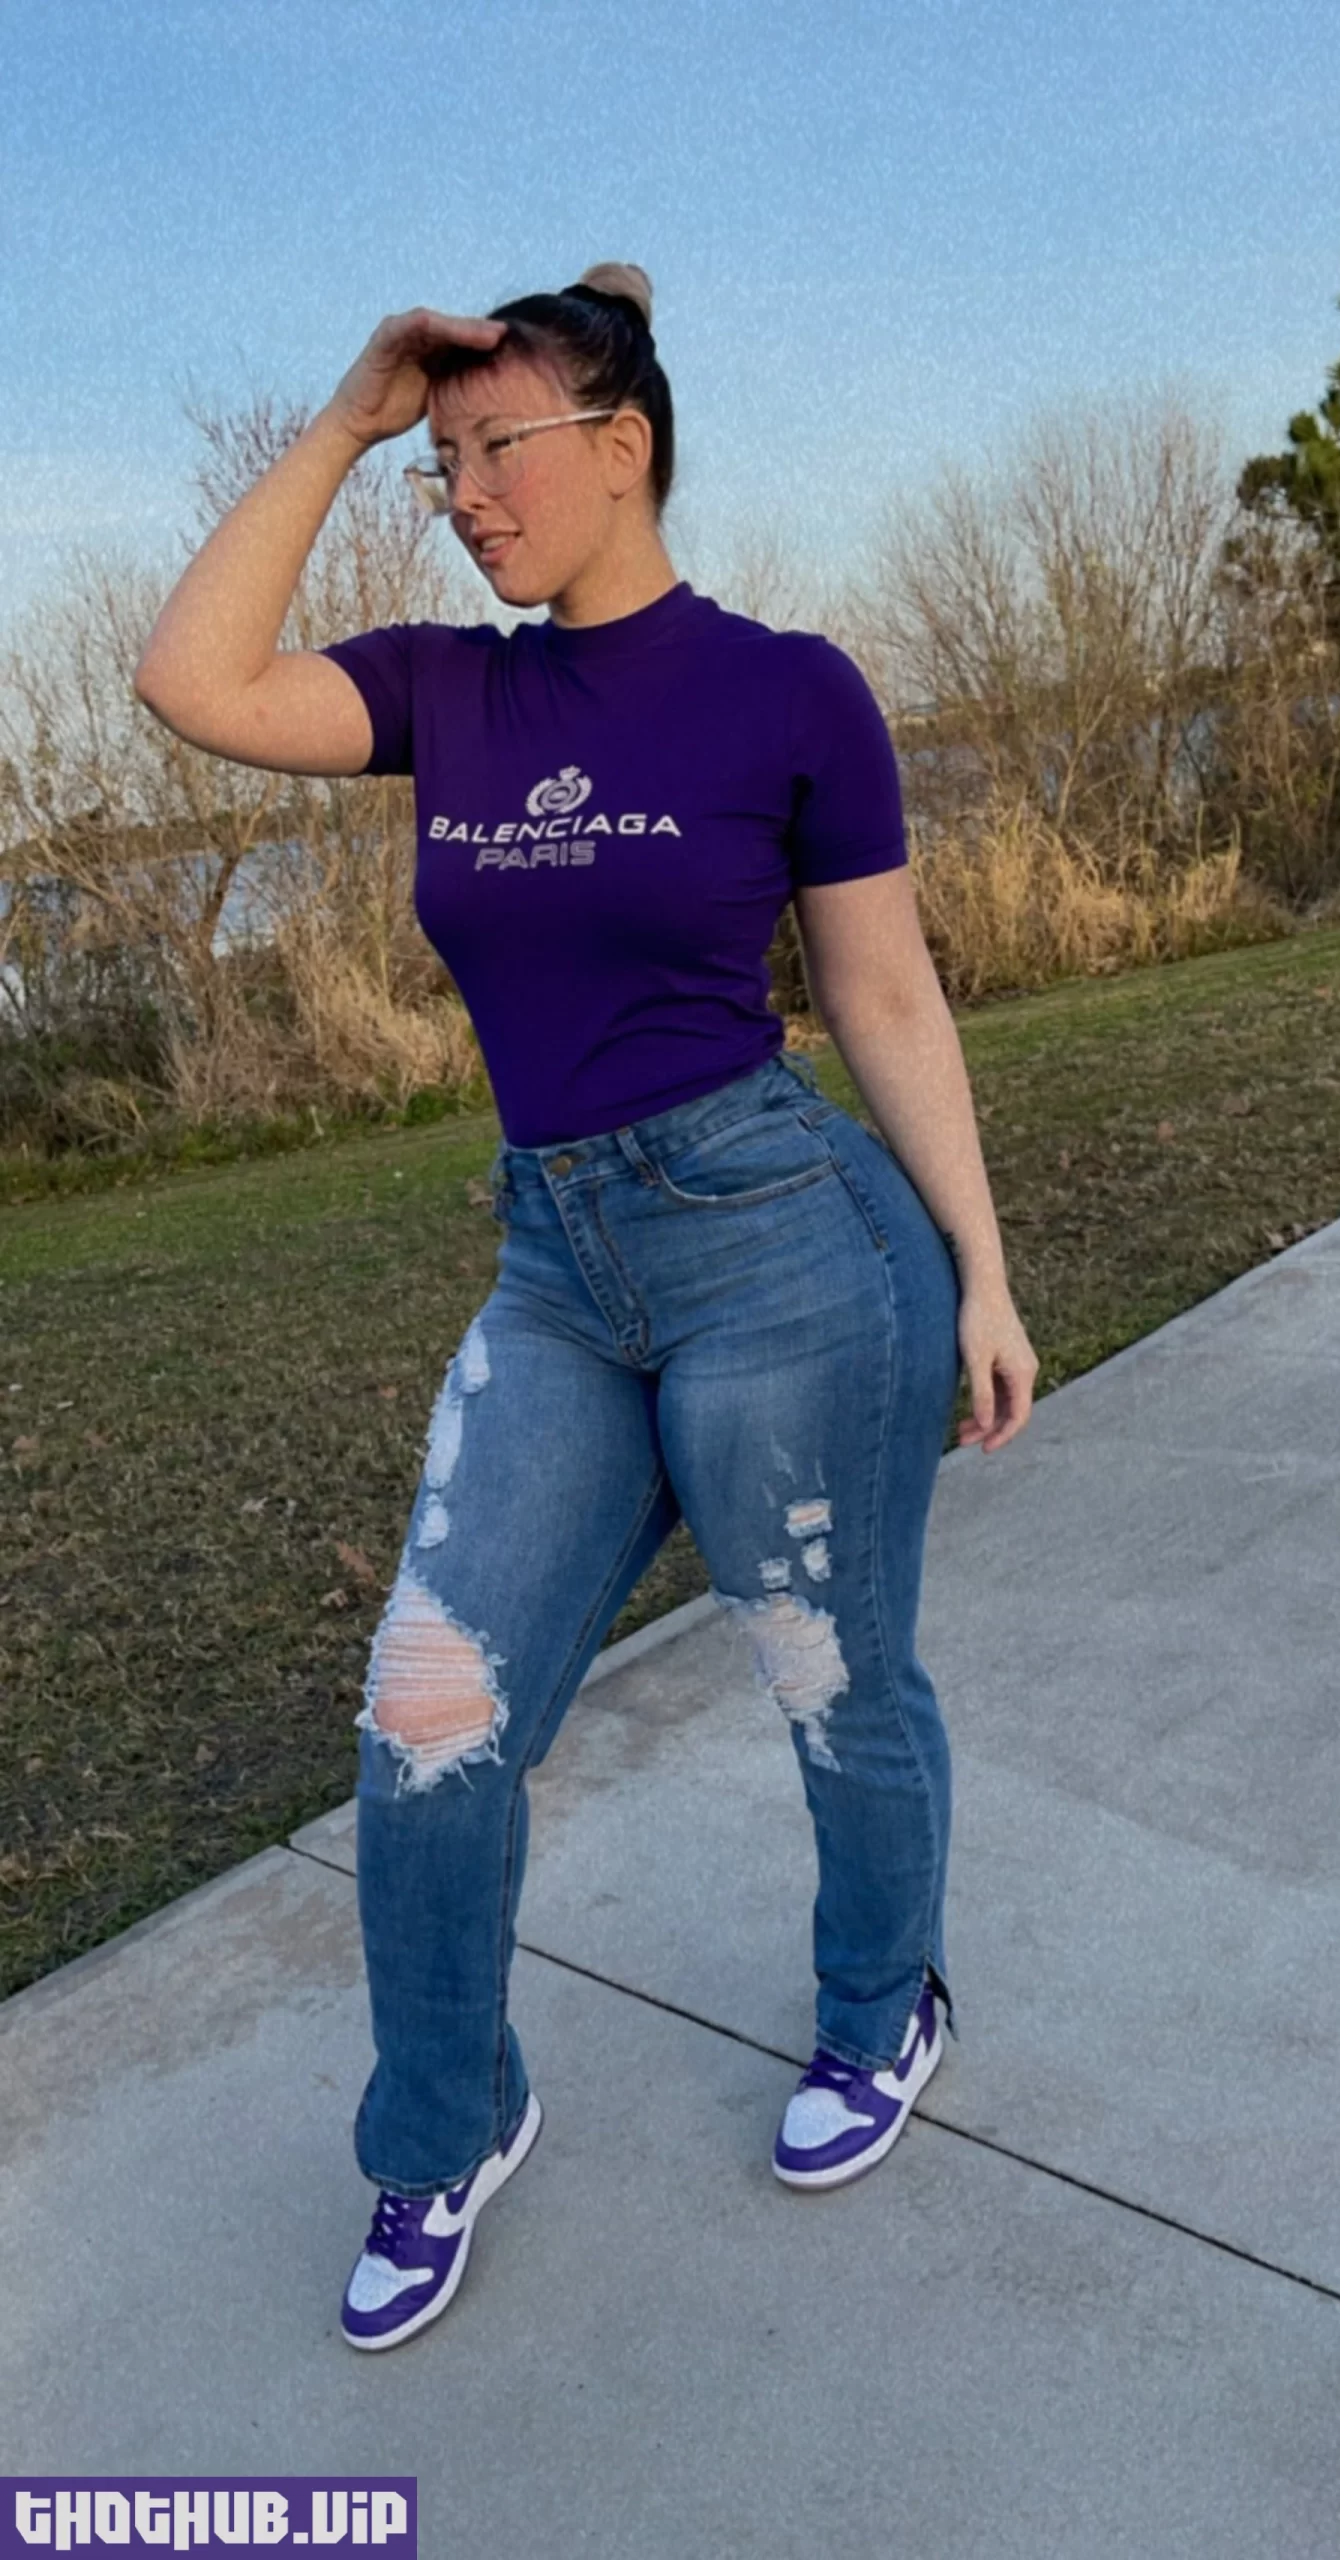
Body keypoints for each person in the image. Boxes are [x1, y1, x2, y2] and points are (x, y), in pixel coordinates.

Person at [134, 259, 1039, 2353]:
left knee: (832, 1674)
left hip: (783, 1246)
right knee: (425, 1723)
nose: (461, 494)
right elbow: (188, 679)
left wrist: (985, 1271)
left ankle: (879, 2001)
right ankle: (448, 2119)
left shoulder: (790, 690)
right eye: (440, 463)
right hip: (557, 1266)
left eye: (494, 449)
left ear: (620, 446)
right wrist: (350, 418)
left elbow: (885, 992)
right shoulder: (452, 694)